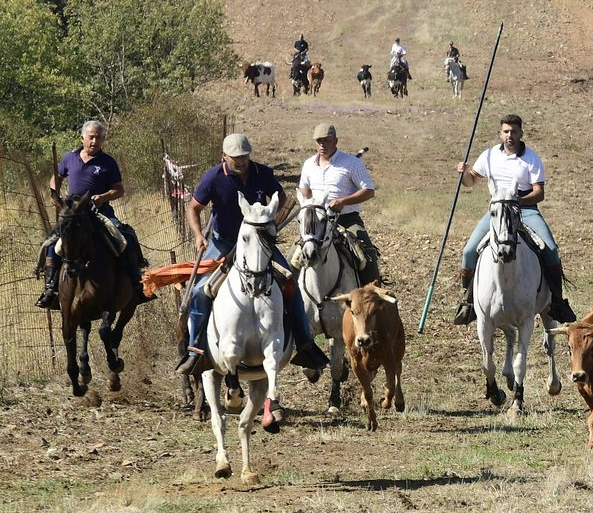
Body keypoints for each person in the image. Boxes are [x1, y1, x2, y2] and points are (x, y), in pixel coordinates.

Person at [176, 133, 329, 375]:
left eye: (245, 156)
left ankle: (305, 345)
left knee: (290, 282)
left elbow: (282, 199)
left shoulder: (263, 173)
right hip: (224, 243)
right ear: (224, 156)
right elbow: (194, 208)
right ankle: (196, 351)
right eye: (235, 157)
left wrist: (270, 227)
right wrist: (198, 236)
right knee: (199, 290)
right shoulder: (213, 178)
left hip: (259, 244)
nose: (241, 161)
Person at [452, 114, 577, 326]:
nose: (510, 135)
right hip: (497, 211)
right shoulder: (489, 155)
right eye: (506, 131)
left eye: (514, 131)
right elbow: (471, 181)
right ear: (500, 134)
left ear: (521, 133)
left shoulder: (531, 158)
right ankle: (468, 302)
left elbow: (539, 193)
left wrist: (517, 200)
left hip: (526, 210)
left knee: (551, 250)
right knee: (469, 251)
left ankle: (557, 301)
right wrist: (463, 173)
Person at [35, 120, 154, 309]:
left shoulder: (108, 162)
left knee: (124, 237)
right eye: (91, 137)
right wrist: (56, 197)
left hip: (100, 212)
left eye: (99, 138)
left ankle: (137, 283)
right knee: (53, 243)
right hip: (75, 215)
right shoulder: (69, 158)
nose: (94, 141)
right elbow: (56, 177)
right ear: (82, 137)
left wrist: (103, 196)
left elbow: (119, 190)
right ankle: (50, 288)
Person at [298, 123, 381, 285]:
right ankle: (291, 304)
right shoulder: (308, 165)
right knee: (293, 259)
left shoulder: (351, 163)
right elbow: (304, 189)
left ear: (335, 141)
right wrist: (308, 203)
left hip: (346, 219)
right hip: (316, 223)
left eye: (327, 140)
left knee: (367, 256)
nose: (322, 144)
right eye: (319, 141)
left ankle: (373, 298)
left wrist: (343, 201)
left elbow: (369, 190)